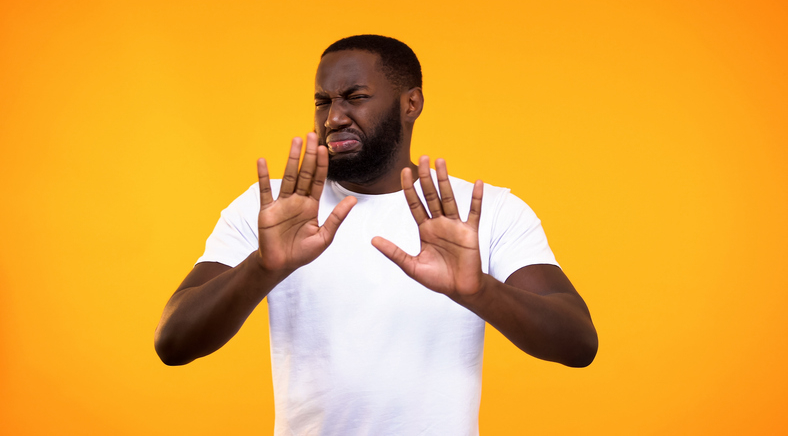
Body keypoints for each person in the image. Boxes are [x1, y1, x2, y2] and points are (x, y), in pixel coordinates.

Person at [155, 35, 597, 435]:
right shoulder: (273, 210)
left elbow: (578, 342)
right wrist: (263, 266)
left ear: (411, 104)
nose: (333, 118)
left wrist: (479, 291)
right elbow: (173, 342)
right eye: (322, 101)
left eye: (355, 98)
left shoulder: (487, 213)